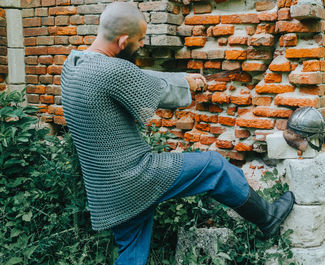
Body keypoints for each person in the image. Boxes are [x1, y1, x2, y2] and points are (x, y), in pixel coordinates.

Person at [61, 2, 295, 264]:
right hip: (135, 176)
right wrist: (186, 86)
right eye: (138, 42)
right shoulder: (111, 71)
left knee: (132, 249)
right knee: (213, 166)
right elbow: (149, 87)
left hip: (107, 187)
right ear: (123, 40)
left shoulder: (73, 65)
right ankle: (268, 217)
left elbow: (134, 76)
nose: (140, 47)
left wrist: (184, 78)